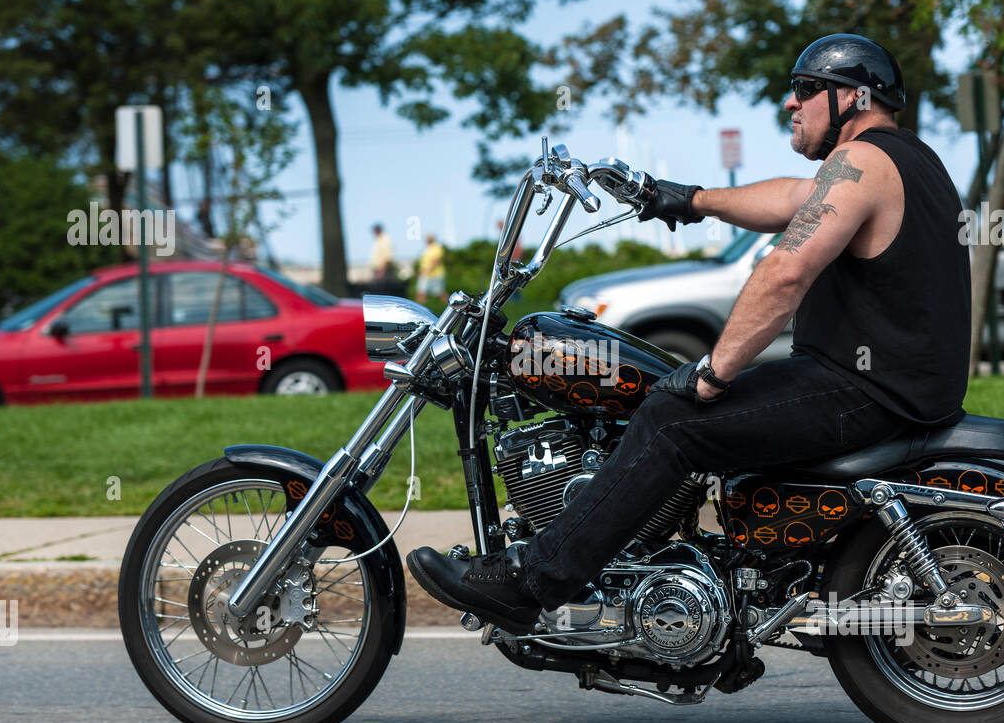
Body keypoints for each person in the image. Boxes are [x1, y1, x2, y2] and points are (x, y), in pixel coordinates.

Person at [407, 33, 971, 634]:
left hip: (866, 391)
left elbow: (785, 270)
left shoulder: (861, 162)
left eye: (806, 90)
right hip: (890, 386)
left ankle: (534, 582)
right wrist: (686, 199)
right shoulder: (902, 161)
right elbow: (789, 197)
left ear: (853, 98)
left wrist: (712, 373)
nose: (791, 103)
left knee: (671, 421)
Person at [415, 233, 447, 302]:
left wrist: (427, 270)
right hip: (425, 274)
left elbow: (437, 261)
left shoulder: (436, 247)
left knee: (441, 293)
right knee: (421, 292)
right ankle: (419, 307)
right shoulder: (427, 248)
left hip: (436, 274)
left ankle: (451, 306)